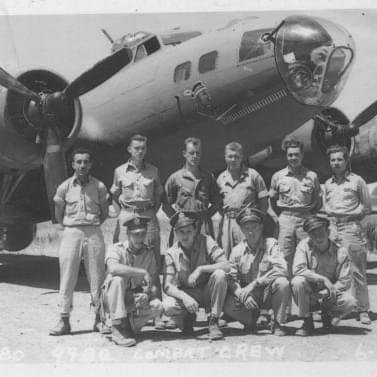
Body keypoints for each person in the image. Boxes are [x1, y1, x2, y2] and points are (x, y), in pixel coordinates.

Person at [49, 148, 109, 336]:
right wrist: (68, 227)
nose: (82, 165)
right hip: (71, 232)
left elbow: (105, 212)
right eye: (79, 162)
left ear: (90, 164)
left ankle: (99, 319)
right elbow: (58, 212)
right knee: (67, 276)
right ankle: (64, 319)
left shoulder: (99, 186)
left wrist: (91, 224)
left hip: (93, 232)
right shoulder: (64, 186)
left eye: (86, 161)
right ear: (73, 164)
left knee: (97, 277)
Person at [110, 134, 165, 329]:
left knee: (153, 264)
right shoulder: (119, 171)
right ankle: (123, 308)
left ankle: (157, 314)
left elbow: (158, 197)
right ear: (129, 150)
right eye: (136, 148)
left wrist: (148, 213)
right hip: (126, 217)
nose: (140, 151)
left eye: (143, 148)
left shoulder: (153, 171)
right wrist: (122, 214)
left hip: (148, 217)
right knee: (125, 257)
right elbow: (115, 195)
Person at [162, 211, 230, 340]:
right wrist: (184, 298)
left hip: (207, 291)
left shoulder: (206, 241)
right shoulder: (171, 252)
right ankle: (187, 318)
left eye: (189, 231)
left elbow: (226, 266)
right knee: (167, 306)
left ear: (195, 231)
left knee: (220, 275)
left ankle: (213, 320)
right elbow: (167, 286)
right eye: (181, 232)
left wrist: (201, 268)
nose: (185, 235)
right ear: (175, 233)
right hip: (186, 293)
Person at [323, 144, 372, 325]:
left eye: (339, 159)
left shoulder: (357, 181)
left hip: (351, 227)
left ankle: (363, 309)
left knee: (356, 270)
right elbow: (325, 207)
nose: (336, 163)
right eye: (333, 160)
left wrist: (351, 215)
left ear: (346, 161)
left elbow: (366, 207)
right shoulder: (327, 184)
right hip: (332, 228)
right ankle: (334, 308)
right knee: (331, 269)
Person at [223, 207, 290, 335]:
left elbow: (282, 269)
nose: (251, 233)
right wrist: (241, 294)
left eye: (254, 228)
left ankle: (277, 322)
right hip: (249, 296)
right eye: (247, 229)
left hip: (267, 292)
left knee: (282, 283)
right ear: (242, 230)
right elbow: (231, 278)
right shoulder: (237, 250)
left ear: (261, 227)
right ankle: (250, 320)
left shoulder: (271, 244)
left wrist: (255, 283)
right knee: (227, 304)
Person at [101, 214, 163, 347]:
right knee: (117, 279)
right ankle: (116, 329)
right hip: (111, 298)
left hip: (132, 298)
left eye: (142, 234)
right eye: (136, 234)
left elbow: (153, 284)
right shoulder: (116, 248)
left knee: (157, 306)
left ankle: (128, 327)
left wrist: (147, 294)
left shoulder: (149, 253)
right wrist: (141, 272)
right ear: (128, 234)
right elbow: (113, 268)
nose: (140, 238)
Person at [291, 215, 356, 336]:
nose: (318, 237)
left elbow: (345, 281)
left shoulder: (340, 252)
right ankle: (307, 321)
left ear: (328, 232)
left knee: (349, 301)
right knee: (297, 282)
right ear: (309, 236)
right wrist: (323, 279)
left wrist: (324, 293)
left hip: (329, 294)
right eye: (313, 234)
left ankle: (328, 315)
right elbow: (298, 269)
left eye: (321, 233)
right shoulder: (304, 246)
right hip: (309, 294)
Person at [269, 139, 322, 277]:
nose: (293, 158)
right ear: (286, 156)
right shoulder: (278, 176)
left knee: (307, 254)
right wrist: (283, 215)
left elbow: (318, 200)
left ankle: (304, 290)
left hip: (305, 219)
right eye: (290, 155)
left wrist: (309, 214)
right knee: (284, 255)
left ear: (302, 156)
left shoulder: (311, 176)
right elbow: (273, 200)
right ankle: (284, 289)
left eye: (296, 154)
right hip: (285, 219)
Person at [163, 137, 221, 245]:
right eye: (191, 153)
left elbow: (217, 201)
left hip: (203, 227)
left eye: (198, 153)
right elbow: (166, 204)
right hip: (182, 225)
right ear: (184, 153)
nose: (194, 156)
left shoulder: (208, 177)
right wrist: (176, 219)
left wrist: (207, 215)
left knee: (205, 257)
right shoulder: (175, 178)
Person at [216, 142, 269, 258]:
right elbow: (218, 204)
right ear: (225, 158)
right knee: (227, 255)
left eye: (236, 156)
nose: (233, 159)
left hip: (247, 222)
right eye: (230, 156)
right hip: (228, 223)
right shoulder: (221, 178)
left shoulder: (253, 175)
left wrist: (258, 222)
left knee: (248, 255)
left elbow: (264, 201)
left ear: (242, 158)